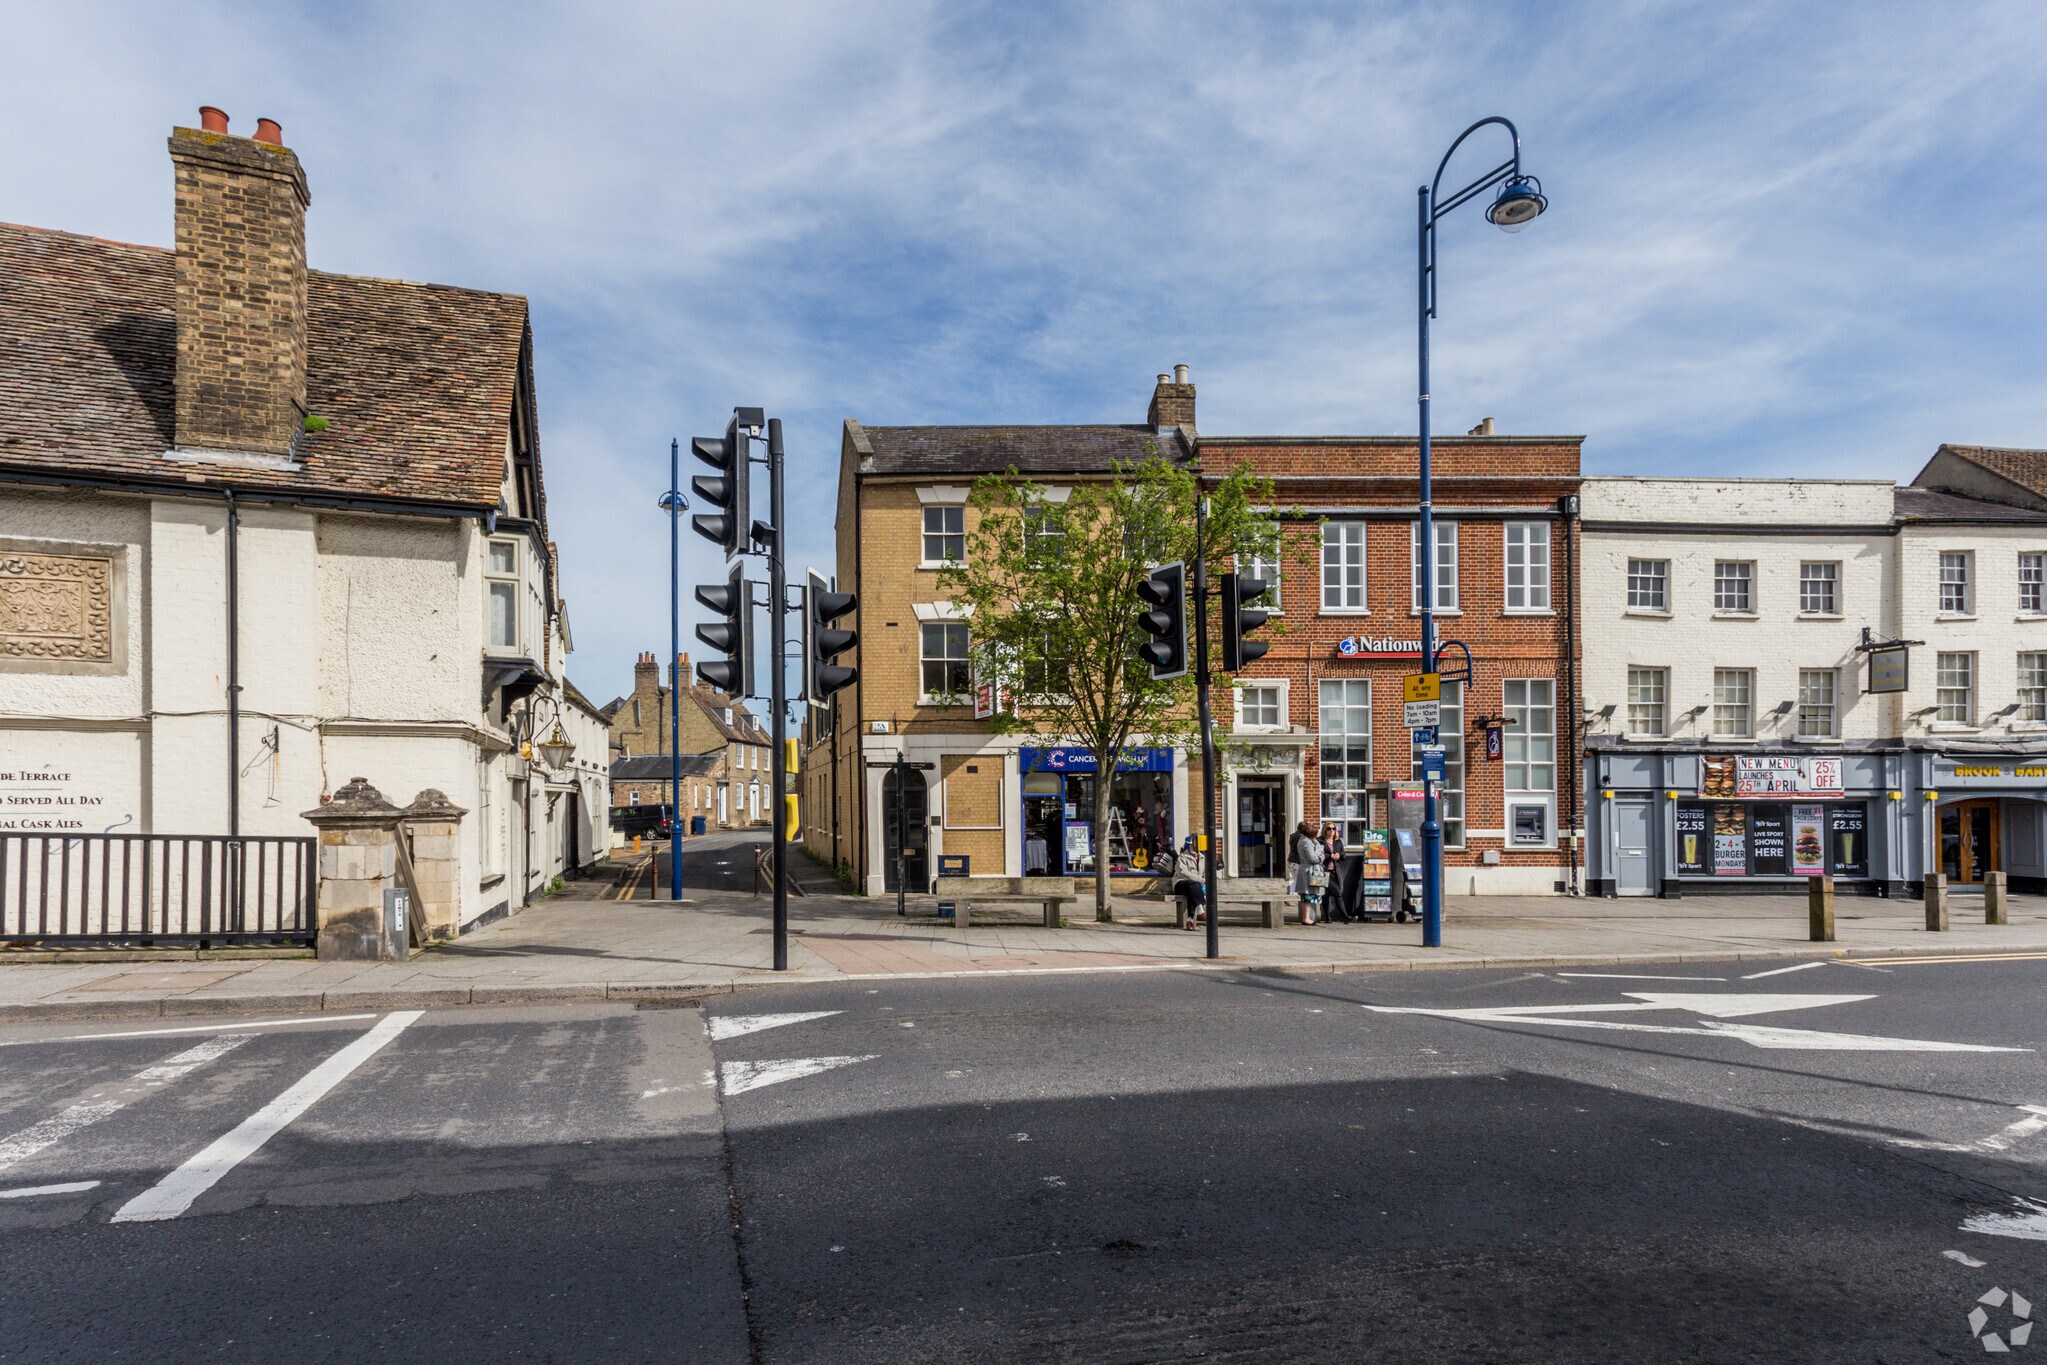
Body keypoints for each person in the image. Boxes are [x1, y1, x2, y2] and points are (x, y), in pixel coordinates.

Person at [1289, 819, 1326, 925]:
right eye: (1315, 834)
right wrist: (1321, 857)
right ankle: (1306, 918)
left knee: (1310, 894)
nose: (1316, 836)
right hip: (1308, 870)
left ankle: (1309, 917)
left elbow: (1317, 848)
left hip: (1309, 869)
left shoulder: (1307, 840)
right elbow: (1313, 858)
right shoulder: (1305, 842)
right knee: (1307, 895)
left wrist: (1316, 843)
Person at [1172, 835, 1208, 930]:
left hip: (1194, 887)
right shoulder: (1182, 857)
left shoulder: (1203, 858)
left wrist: (1204, 880)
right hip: (1180, 883)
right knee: (1194, 885)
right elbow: (1183, 873)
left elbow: (1204, 874)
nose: (1193, 848)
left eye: (1194, 846)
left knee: (1193, 890)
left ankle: (1189, 920)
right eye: (1191, 845)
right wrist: (1200, 879)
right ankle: (1200, 910)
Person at [1319, 823, 1350, 923]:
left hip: (1336, 872)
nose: (1331, 831)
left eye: (1333, 829)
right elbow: (1319, 855)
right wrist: (1330, 856)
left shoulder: (1338, 841)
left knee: (1326, 895)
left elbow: (1344, 856)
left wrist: (1339, 855)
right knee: (1337, 893)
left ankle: (1327, 917)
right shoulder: (1320, 841)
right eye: (1329, 828)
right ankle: (1345, 917)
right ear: (1325, 830)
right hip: (1324, 871)